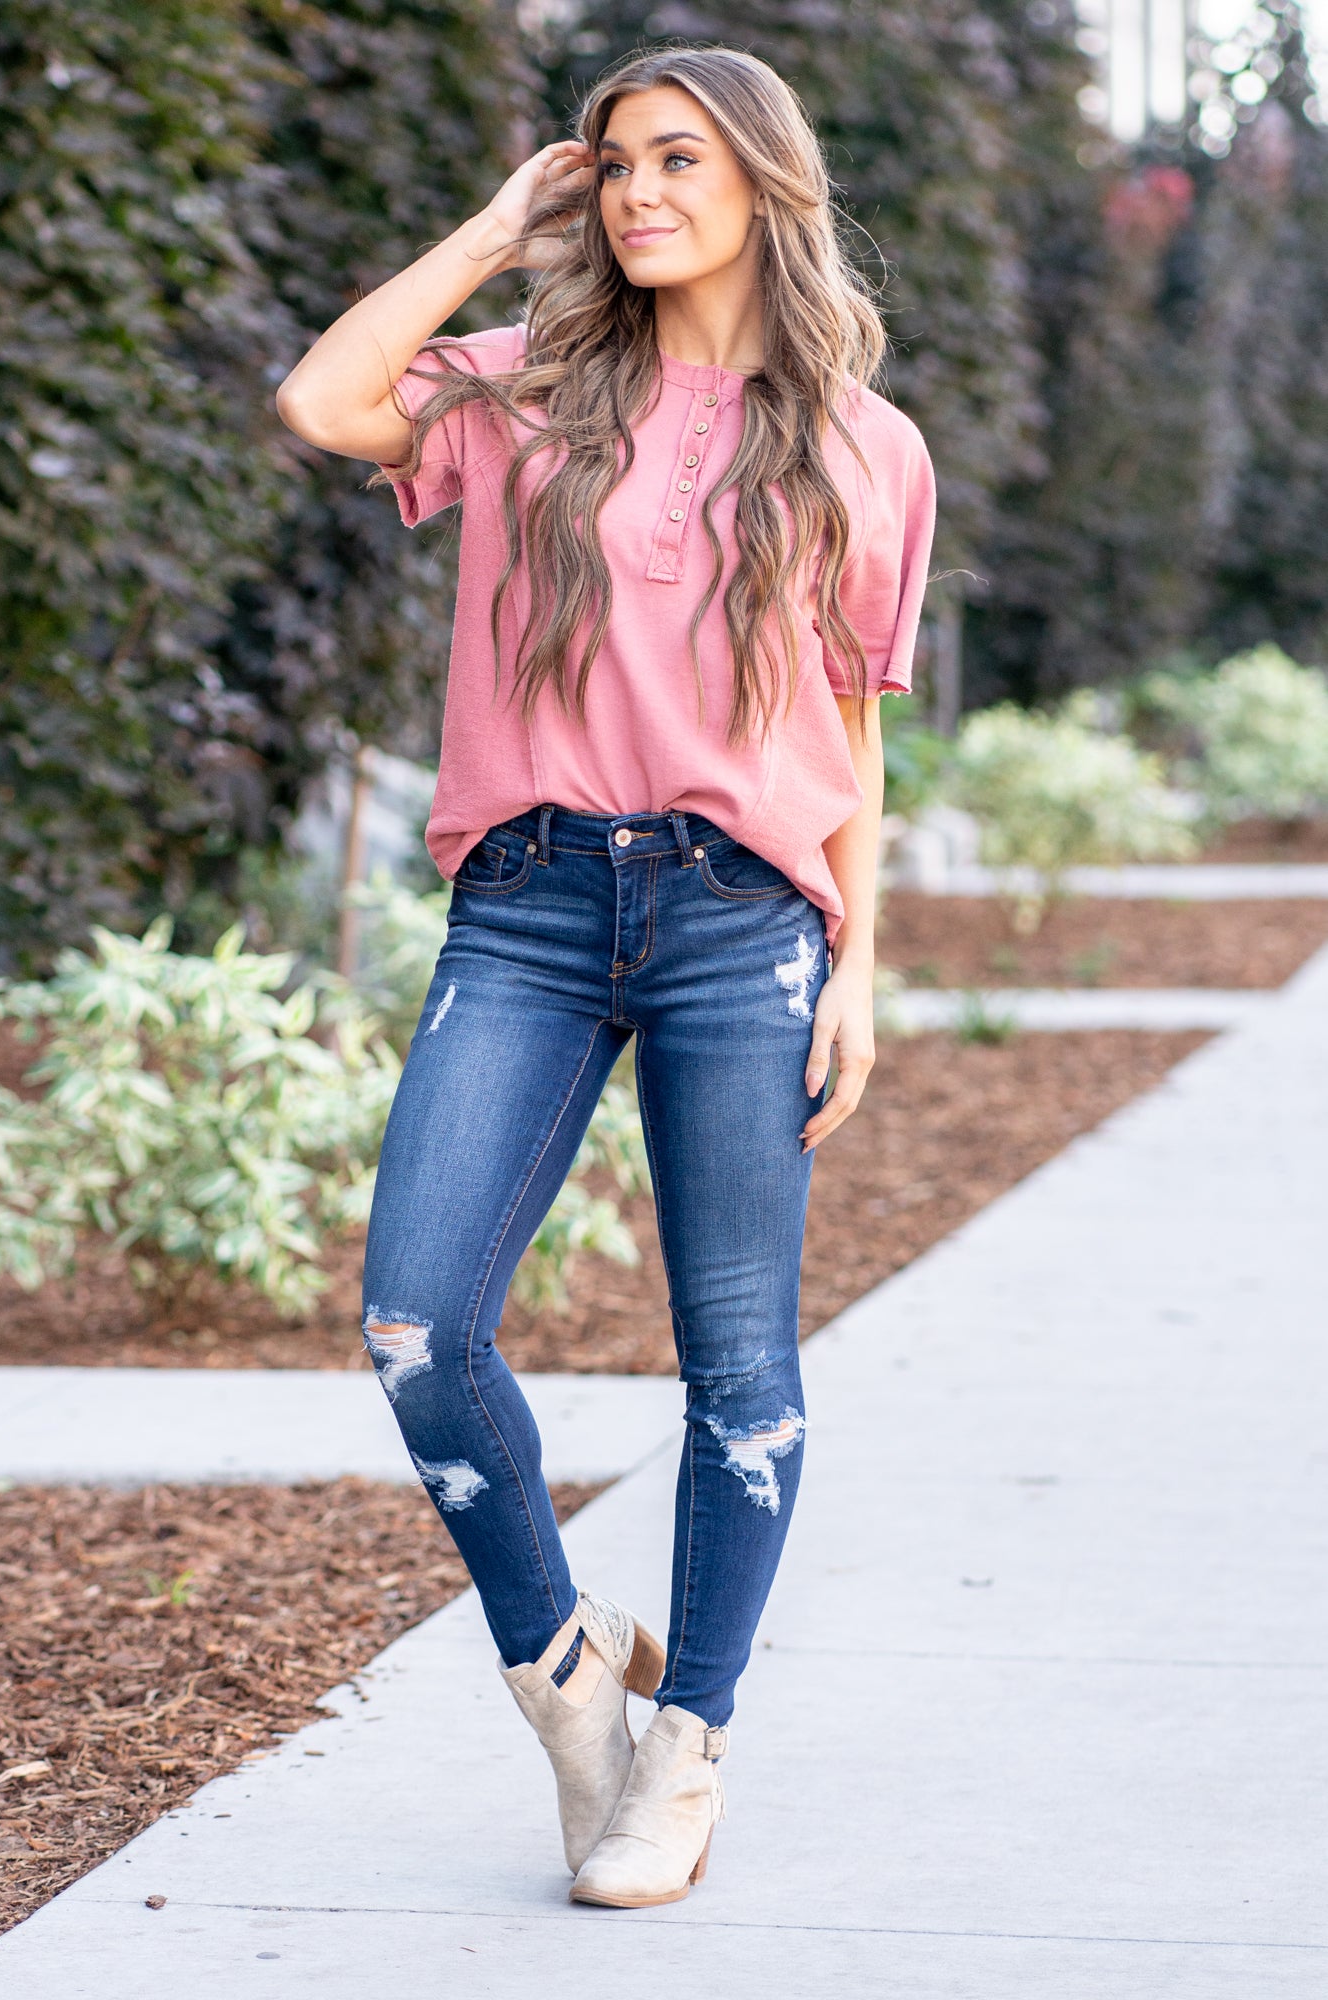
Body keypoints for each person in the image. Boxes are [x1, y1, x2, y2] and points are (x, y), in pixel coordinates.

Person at [275, 43, 935, 1909]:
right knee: (416, 1321)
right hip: (529, 904)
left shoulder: (866, 446)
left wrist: (857, 965)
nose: (639, 192)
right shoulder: (526, 389)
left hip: (745, 921)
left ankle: (686, 1742)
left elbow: (851, 727)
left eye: (678, 160)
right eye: (615, 162)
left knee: (737, 1369)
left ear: (765, 183)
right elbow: (322, 400)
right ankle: (565, 1670)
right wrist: (501, 227)